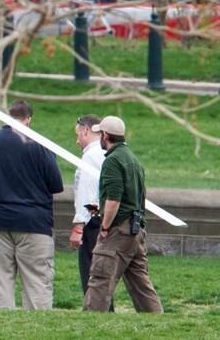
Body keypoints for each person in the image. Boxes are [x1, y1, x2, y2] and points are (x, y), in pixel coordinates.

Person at [0, 100, 63, 310]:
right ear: (29, 119)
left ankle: (3, 330)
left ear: (7, 116)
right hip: (33, 222)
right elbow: (56, 184)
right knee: (37, 283)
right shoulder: (40, 146)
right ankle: (36, 331)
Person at [83, 116, 163, 313]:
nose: (99, 138)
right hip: (136, 230)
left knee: (100, 279)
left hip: (118, 229)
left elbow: (113, 199)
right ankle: (158, 320)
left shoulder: (113, 160)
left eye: (100, 134)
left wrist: (105, 227)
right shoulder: (132, 159)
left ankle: (89, 322)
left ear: (106, 136)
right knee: (140, 282)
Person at [71, 115, 106, 298]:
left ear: (86, 130)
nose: (77, 141)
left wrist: (79, 225)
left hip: (93, 220)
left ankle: (94, 306)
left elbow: (87, 194)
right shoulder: (105, 153)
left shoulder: (91, 156)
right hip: (105, 217)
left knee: (90, 268)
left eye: (78, 135)